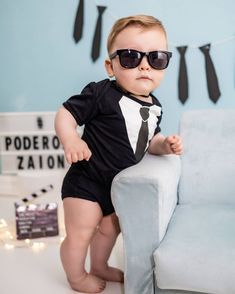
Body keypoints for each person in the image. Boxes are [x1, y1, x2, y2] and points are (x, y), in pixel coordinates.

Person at [55, 14, 183, 293]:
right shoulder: (101, 93)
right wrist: (71, 140)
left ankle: (99, 265)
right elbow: (65, 113)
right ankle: (76, 276)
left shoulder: (155, 106)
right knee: (82, 232)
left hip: (117, 186)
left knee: (109, 231)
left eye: (156, 58)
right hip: (86, 180)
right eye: (130, 57)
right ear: (110, 66)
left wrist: (165, 146)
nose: (144, 65)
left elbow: (149, 140)